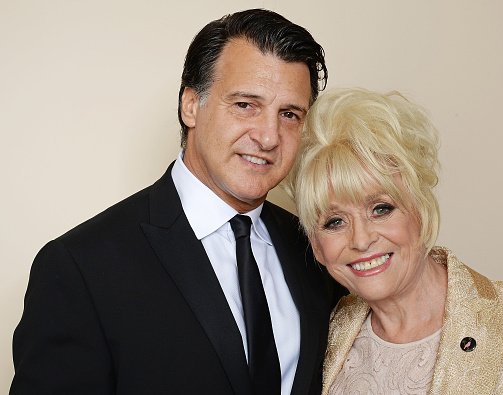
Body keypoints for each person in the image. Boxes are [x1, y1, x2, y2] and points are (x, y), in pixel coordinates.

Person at [11, 9, 340, 395]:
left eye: (289, 114)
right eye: (245, 105)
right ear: (190, 106)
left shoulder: (317, 250)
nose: (268, 137)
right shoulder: (81, 268)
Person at [284, 88, 503, 394]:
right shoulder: (326, 337)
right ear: (315, 242)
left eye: (381, 209)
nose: (361, 239)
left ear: (420, 207)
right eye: (334, 222)